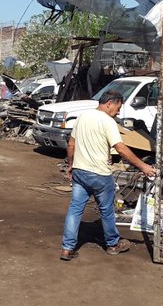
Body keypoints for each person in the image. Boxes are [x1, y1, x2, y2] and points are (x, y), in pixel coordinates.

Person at [60, 90, 157, 261]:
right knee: (107, 211)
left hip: (80, 172)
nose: (118, 112)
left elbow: (71, 144)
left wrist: (70, 165)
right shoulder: (108, 121)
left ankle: (67, 248)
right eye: (118, 107)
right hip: (99, 175)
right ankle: (112, 244)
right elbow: (120, 147)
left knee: (75, 209)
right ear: (109, 103)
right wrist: (143, 166)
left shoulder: (82, 117)